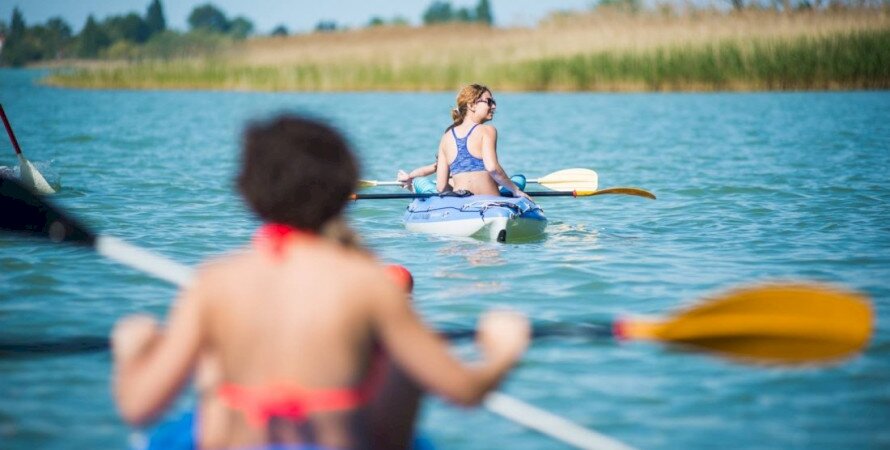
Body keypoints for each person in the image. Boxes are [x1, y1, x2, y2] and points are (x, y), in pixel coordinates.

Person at [110, 115, 530, 450]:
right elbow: (464, 389)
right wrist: (503, 350)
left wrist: (133, 349)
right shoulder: (369, 284)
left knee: (213, 368)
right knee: (397, 367)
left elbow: (137, 405)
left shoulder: (214, 281)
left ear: (247, 192)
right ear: (345, 187)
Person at [397, 84, 529, 199]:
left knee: (420, 182)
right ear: (471, 105)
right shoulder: (488, 130)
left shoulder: (446, 137)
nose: (494, 106)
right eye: (489, 102)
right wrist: (516, 191)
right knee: (519, 180)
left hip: (460, 204)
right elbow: (492, 168)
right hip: (491, 201)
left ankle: (413, 187)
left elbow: (441, 187)